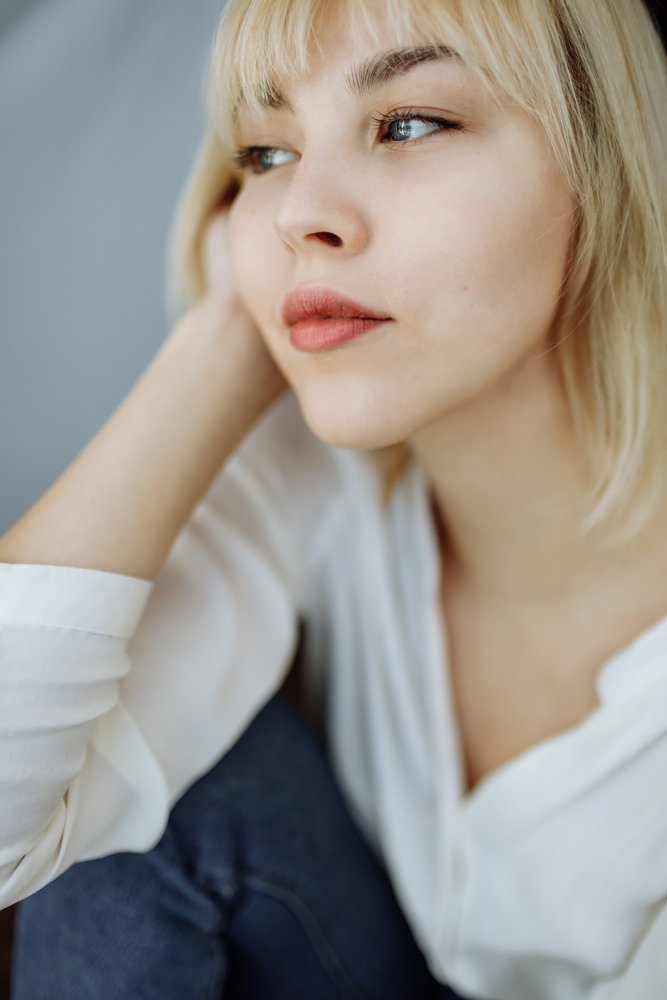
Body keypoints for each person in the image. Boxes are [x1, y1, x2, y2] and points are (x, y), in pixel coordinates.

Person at [2, 0, 667, 997]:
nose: (298, 214)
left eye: (409, 124)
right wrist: (224, 341)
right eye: (265, 154)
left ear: (601, 158)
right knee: (125, 801)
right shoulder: (322, 474)